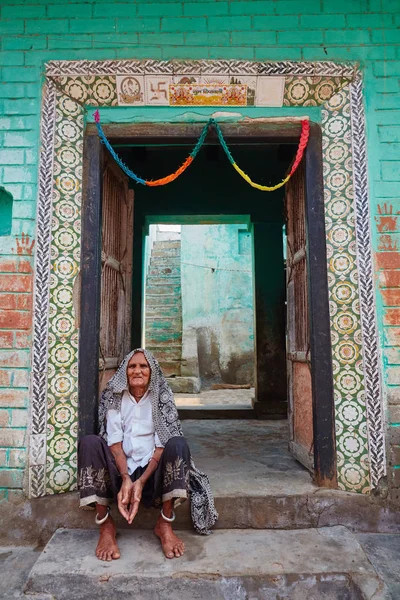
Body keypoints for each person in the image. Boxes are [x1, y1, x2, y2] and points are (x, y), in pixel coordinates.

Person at [78, 348, 218, 561]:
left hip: (152, 473)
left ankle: (164, 523)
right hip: (120, 469)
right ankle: (106, 525)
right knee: (89, 443)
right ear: (125, 371)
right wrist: (125, 477)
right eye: (132, 366)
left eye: (143, 366)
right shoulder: (114, 396)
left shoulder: (160, 397)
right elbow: (114, 443)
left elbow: (162, 446)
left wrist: (141, 482)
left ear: (152, 371)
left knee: (178, 445)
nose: (137, 371)